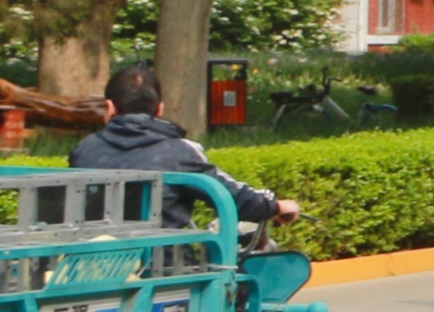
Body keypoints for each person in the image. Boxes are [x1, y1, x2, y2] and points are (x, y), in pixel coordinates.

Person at [69, 63, 289, 231]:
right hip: (163, 267)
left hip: (87, 266)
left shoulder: (84, 150)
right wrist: (276, 206)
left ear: (109, 107)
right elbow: (232, 196)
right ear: (160, 109)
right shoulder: (179, 152)